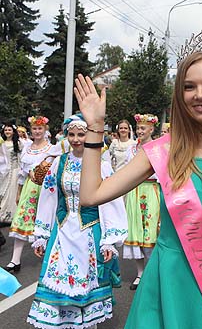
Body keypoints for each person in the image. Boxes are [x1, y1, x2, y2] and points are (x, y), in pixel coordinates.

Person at [73, 50, 202, 328]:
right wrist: (94, 128)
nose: (199, 94)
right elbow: (91, 195)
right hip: (163, 285)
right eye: (189, 87)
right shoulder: (164, 151)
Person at [27, 114, 127, 328]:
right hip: (63, 230)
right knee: (59, 287)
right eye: (71, 134)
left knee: (89, 288)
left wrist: (109, 239)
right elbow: (48, 196)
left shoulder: (101, 165)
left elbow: (110, 201)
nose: (75, 139)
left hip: (89, 231)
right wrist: (42, 234)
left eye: (81, 134)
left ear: (89, 136)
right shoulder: (59, 163)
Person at [4, 116, 60, 273]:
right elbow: (22, 174)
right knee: (22, 219)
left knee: (47, 221)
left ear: (45, 130)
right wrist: (19, 192)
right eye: (34, 129)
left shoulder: (52, 148)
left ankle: (50, 259)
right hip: (30, 188)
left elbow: (56, 168)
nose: (37, 131)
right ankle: (15, 260)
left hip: (47, 189)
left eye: (40, 129)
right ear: (31, 130)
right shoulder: (27, 148)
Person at [123, 113, 161, 291]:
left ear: (152, 129)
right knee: (135, 230)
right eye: (138, 128)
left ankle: (153, 273)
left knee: (151, 229)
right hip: (134, 191)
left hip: (151, 191)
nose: (139, 131)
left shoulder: (158, 148)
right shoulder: (132, 149)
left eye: (143, 128)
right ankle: (140, 273)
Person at [0, 123, 23, 225]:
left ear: (13, 132)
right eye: (6, 130)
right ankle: (3, 214)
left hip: (15, 170)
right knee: (3, 192)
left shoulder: (18, 143)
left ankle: (12, 215)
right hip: (4, 170)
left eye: (9, 130)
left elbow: (20, 158)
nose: (7, 132)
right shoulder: (2, 143)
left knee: (13, 192)